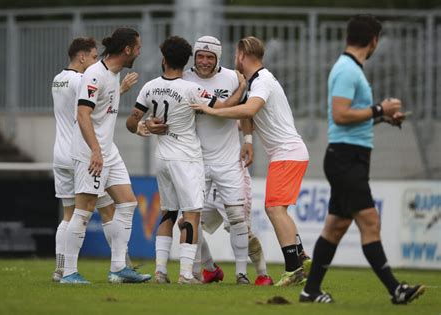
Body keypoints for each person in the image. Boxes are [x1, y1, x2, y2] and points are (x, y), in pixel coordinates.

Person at [299, 15, 425, 304]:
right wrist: (380, 107)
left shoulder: (350, 68)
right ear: (373, 41)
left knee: (336, 227)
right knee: (370, 223)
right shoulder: (347, 70)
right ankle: (397, 290)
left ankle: (310, 291)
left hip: (349, 156)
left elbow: (349, 119)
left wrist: (383, 117)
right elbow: (341, 115)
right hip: (346, 159)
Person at [191, 36, 311, 287]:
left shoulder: (262, 80)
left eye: (237, 54)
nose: (235, 59)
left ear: (243, 54)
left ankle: (293, 269)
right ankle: (301, 257)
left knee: (274, 208)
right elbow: (246, 111)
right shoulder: (255, 81)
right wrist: (247, 139)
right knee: (279, 209)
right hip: (287, 153)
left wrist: (212, 110)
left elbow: (248, 110)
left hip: (287, 153)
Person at [126, 35, 243, 284]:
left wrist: (145, 125)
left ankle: (160, 272)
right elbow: (223, 108)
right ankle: (186, 274)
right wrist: (242, 88)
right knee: (192, 215)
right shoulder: (192, 89)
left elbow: (131, 122)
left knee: (167, 214)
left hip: (162, 157)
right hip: (187, 158)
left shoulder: (149, 86)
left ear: (164, 59)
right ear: (186, 61)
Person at [60, 28, 150, 284]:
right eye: (138, 47)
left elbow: (103, 111)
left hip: (109, 151)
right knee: (84, 210)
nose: (140, 52)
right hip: (91, 153)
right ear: (127, 50)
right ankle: (68, 273)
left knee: (128, 203)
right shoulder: (94, 75)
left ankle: (119, 269)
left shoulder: (113, 74)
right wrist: (96, 151)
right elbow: (82, 114)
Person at [181, 36, 272, 285]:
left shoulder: (233, 77)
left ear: (217, 58)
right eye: (200, 55)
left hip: (229, 161)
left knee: (238, 221)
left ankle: (252, 274)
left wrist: (249, 141)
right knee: (186, 222)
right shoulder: (184, 79)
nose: (204, 61)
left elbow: (243, 111)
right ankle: (210, 268)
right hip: (196, 162)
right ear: (194, 56)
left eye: (210, 57)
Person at [51, 37, 118, 282]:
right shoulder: (81, 80)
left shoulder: (58, 79)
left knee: (68, 214)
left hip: (59, 153)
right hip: (79, 154)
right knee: (108, 209)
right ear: (81, 58)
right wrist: (121, 90)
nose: (95, 62)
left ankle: (60, 268)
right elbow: (93, 104)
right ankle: (120, 265)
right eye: (92, 57)